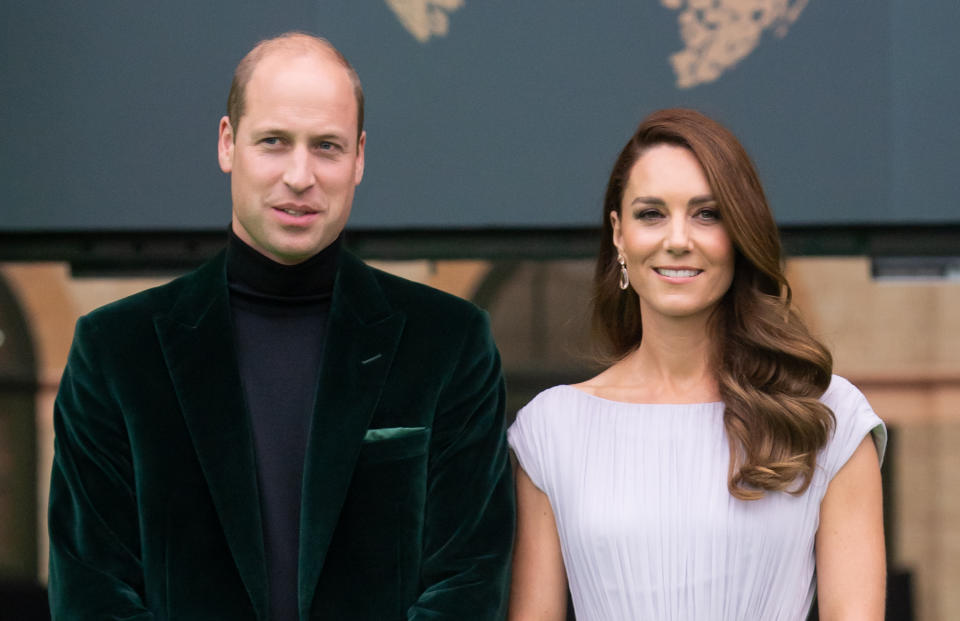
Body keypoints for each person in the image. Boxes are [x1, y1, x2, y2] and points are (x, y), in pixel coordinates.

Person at [47, 32, 514, 620]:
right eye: (274, 142)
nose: (300, 175)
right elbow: (93, 592)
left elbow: (467, 582)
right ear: (227, 143)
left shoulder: (448, 343)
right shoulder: (115, 353)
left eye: (326, 146)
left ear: (359, 158)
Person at [507, 109, 886, 620]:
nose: (678, 238)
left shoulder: (827, 417)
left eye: (707, 213)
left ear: (740, 232)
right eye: (651, 214)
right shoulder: (552, 427)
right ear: (618, 233)